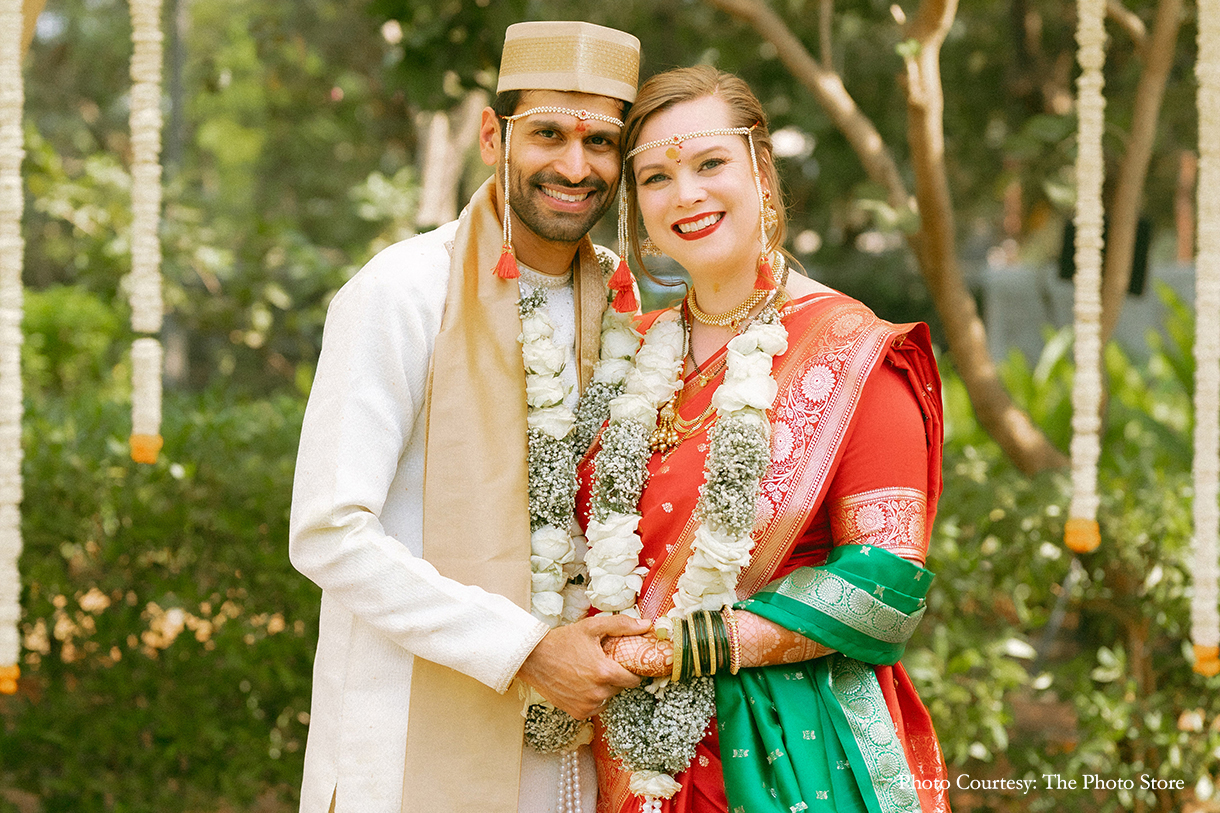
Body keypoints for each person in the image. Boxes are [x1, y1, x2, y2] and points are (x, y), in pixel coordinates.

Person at [288, 21, 653, 813]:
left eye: (601, 141)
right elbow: (328, 529)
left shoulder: (626, 309)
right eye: (548, 133)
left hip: (574, 759)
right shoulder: (404, 290)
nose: (574, 165)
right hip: (404, 750)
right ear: (495, 135)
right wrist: (523, 648)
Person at [576, 66, 953, 813]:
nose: (685, 194)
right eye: (655, 177)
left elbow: (882, 583)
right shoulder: (622, 360)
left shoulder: (855, 355)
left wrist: (687, 647)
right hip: (614, 743)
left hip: (789, 752)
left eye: (710, 163)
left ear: (761, 173)